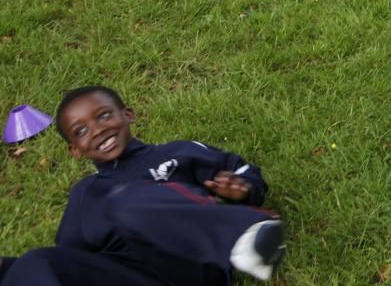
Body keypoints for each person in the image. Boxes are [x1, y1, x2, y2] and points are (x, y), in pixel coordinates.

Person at [0, 86, 285, 285]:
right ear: (75, 150)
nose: (98, 130)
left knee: (125, 202)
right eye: (82, 131)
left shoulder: (179, 153)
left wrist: (243, 189)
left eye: (103, 115)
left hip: (190, 264)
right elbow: (73, 256)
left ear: (128, 114)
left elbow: (241, 169)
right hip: (133, 276)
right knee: (34, 262)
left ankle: (242, 233)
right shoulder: (87, 194)